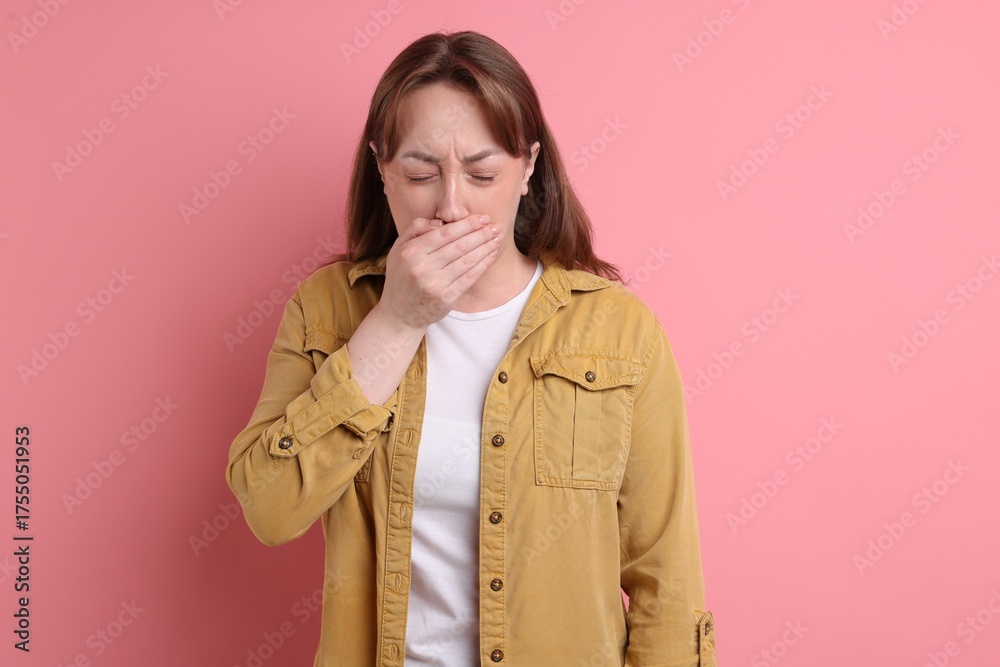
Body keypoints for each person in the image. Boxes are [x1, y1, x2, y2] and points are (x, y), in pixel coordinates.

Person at [226, 29, 715, 667]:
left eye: (482, 173)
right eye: (420, 173)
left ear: (528, 167)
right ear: (381, 168)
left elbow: (665, 580)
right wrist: (395, 321)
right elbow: (269, 508)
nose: (451, 206)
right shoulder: (324, 310)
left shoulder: (621, 334)